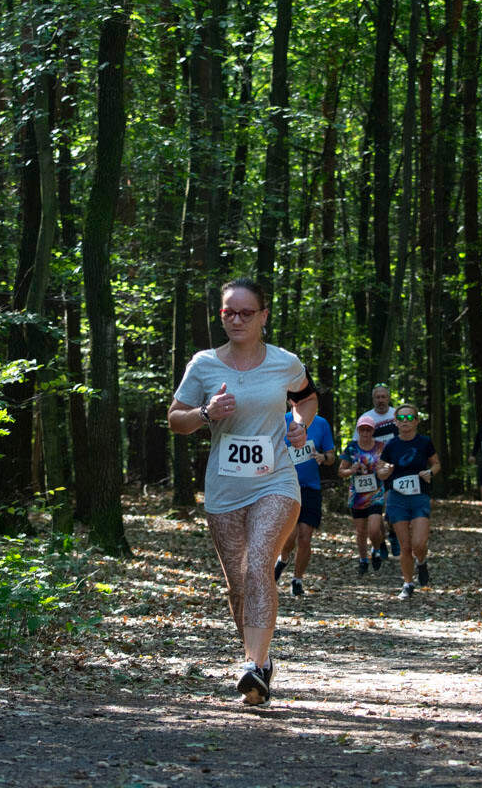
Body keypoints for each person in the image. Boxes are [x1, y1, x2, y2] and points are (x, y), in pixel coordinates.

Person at [168, 277, 317, 706]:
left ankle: (252, 666)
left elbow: (307, 399)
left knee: (258, 564)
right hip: (224, 489)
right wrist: (204, 412)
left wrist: (299, 423)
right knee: (238, 584)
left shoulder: (284, 362)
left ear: (263, 317)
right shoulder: (204, 364)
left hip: (276, 482)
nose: (236, 319)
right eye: (228, 312)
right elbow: (176, 419)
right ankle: (260, 663)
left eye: (245, 312)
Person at [376, 403, 440, 598]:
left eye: (409, 418)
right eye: (401, 418)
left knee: (419, 543)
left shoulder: (425, 442)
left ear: (416, 421)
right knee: (405, 545)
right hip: (397, 498)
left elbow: (436, 464)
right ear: (395, 422)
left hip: (420, 496)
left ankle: (421, 562)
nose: (405, 422)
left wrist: (430, 472)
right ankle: (407, 583)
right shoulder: (391, 445)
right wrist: (384, 472)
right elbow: (380, 470)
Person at [274, 412, 336, 597]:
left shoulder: (321, 423)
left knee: (305, 538)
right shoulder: (280, 420)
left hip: (310, 488)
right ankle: (283, 560)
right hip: (285, 485)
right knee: (289, 538)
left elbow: (331, 455)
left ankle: (297, 580)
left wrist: (323, 458)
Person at [336, 414, 388, 575]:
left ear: (373, 431)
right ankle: (363, 559)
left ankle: (377, 549)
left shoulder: (381, 447)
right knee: (361, 531)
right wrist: (350, 470)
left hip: (376, 494)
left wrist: (383, 470)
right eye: (362, 429)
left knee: (374, 529)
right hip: (357, 495)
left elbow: (387, 466)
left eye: (368, 429)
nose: (365, 432)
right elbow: (341, 471)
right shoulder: (351, 447)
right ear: (358, 430)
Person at [363, 383, 401, 558]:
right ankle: (381, 543)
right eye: (377, 397)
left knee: (392, 507)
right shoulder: (366, 418)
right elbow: (358, 444)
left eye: (383, 397)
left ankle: (394, 535)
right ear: (373, 399)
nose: (380, 400)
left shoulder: (397, 416)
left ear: (389, 398)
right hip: (373, 471)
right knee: (376, 511)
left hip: (395, 469)